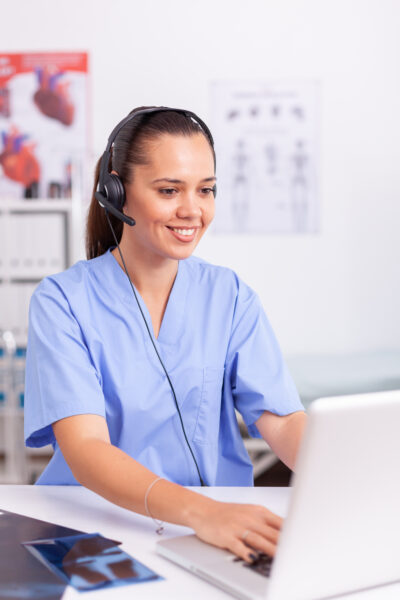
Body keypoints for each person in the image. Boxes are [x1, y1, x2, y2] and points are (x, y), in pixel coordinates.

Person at [24, 106, 307, 564]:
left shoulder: (229, 295)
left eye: (206, 190)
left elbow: (283, 421)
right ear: (116, 192)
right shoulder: (62, 300)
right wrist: (203, 513)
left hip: (214, 528)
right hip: (96, 526)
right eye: (169, 190)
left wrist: (350, 474)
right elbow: (86, 447)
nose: (192, 209)